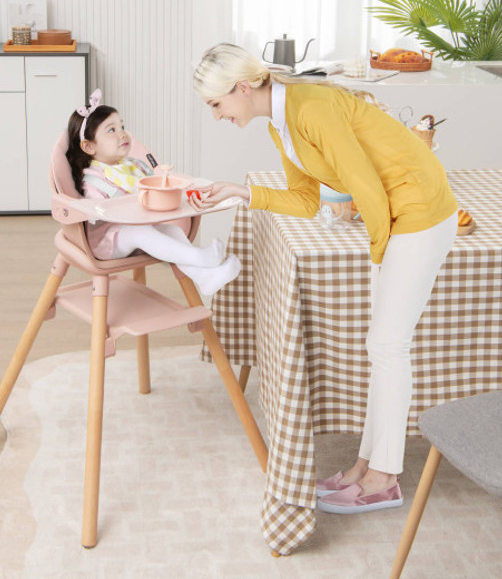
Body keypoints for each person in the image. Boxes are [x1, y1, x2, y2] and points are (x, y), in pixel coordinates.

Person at [191, 43, 458, 514]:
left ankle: (384, 478)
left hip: (418, 209)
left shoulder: (310, 107)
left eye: (215, 104)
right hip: (396, 215)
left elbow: (366, 186)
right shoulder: (283, 122)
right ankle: (365, 466)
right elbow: (306, 200)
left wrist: (380, 257)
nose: (215, 115)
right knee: (383, 345)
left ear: (241, 88)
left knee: (388, 346)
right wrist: (241, 193)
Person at [66, 89, 240, 296]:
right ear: (89, 146)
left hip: (138, 228)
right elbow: (97, 213)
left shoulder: (131, 166)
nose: (122, 133)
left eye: (122, 126)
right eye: (111, 130)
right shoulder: (93, 180)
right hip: (106, 242)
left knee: (171, 230)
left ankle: (205, 278)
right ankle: (200, 258)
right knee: (137, 231)